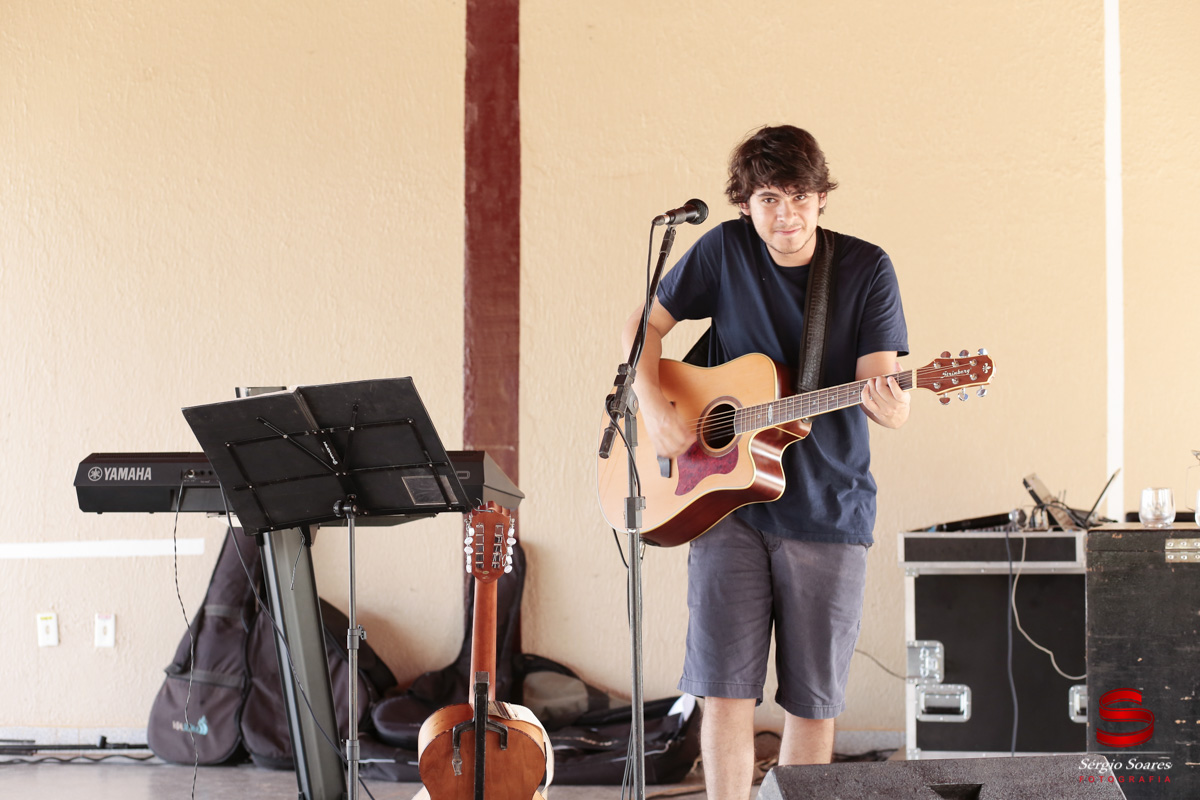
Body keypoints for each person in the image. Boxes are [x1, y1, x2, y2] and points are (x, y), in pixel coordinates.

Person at [620, 125, 909, 799]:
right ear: (745, 203)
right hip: (725, 506)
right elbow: (645, 326)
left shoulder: (866, 269)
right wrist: (653, 406)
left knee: (812, 703)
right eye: (770, 199)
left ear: (822, 197)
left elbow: (882, 387)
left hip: (828, 508)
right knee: (724, 693)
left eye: (801, 196)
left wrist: (892, 407)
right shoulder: (723, 250)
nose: (787, 215)